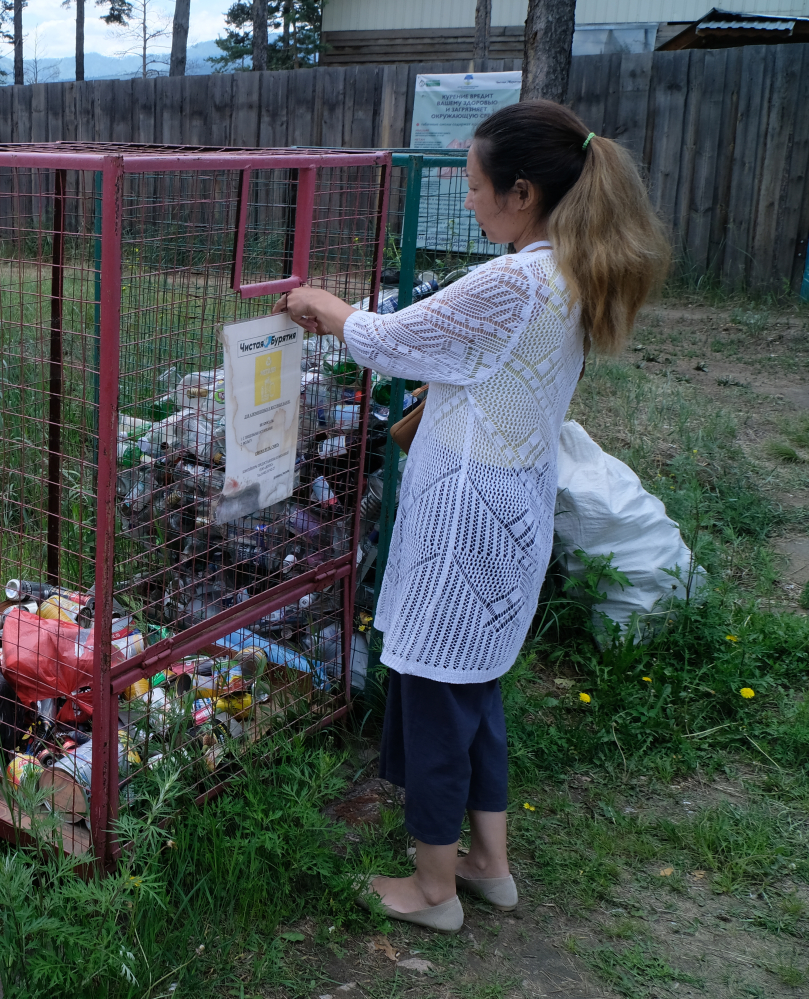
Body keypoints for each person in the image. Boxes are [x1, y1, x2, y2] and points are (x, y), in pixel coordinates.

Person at [279, 99, 670, 932]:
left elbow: (389, 340)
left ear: (521, 192)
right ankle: (488, 864)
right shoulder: (569, 266)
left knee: (430, 697)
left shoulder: (515, 279)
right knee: (473, 689)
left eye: (475, 184)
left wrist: (324, 302)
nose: (468, 200)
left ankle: (431, 890)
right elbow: (468, 361)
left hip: (464, 525)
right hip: (512, 509)